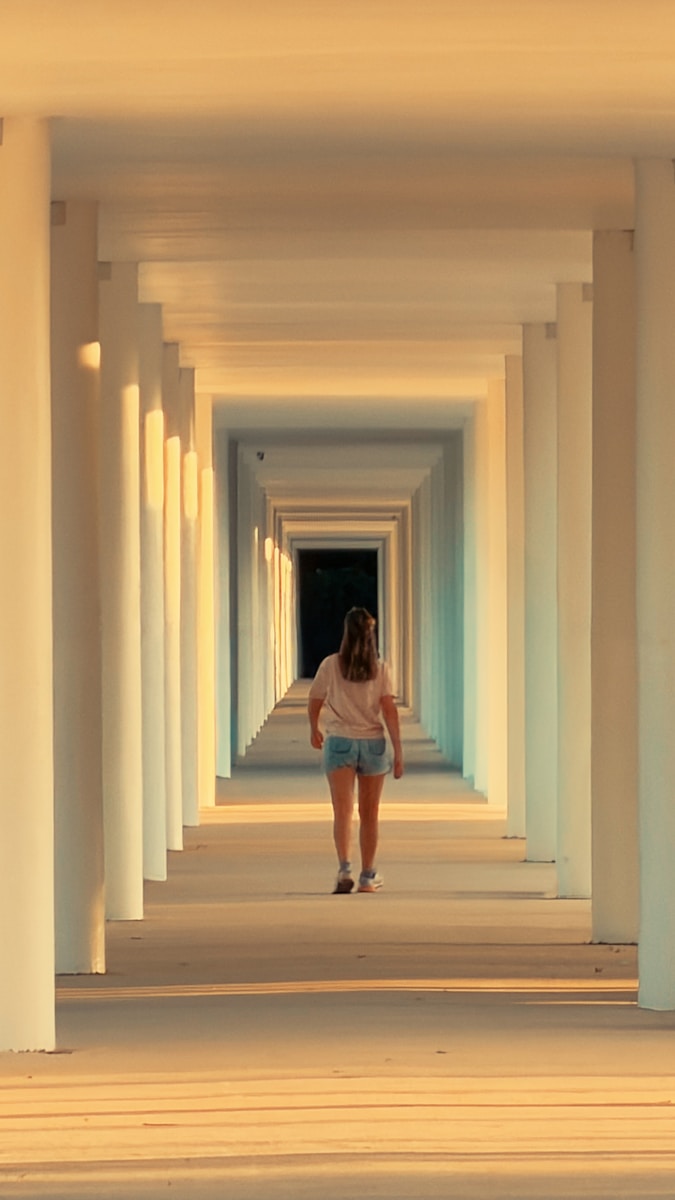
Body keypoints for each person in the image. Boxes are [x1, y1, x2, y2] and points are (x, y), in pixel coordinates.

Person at [307, 606, 404, 894]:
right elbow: (389, 710)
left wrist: (314, 727)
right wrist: (398, 751)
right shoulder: (381, 669)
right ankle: (368, 876)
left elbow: (315, 699)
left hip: (339, 742)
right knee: (370, 814)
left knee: (343, 811)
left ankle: (344, 869)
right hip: (373, 744)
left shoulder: (330, 665)